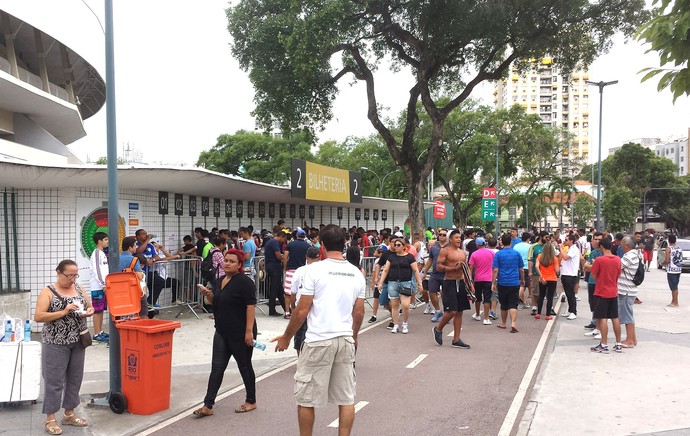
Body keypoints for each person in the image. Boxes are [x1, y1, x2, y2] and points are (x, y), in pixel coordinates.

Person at [271, 225, 365, 436]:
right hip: (345, 338)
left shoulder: (313, 270)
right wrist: (354, 336)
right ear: (344, 245)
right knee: (346, 398)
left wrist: (287, 337)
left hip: (318, 340)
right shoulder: (356, 273)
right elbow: (358, 313)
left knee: (306, 399)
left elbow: (302, 309)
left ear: (321, 245)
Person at [195, 249, 258, 417]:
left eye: (232, 261)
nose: (228, 263)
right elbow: (216, 301)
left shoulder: (245, 282)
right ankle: (208, 405)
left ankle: (251, 401)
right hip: (222, 331)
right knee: (217, 368)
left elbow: (250, 307)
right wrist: (208, 295)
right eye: (226, 260)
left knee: (244, 366)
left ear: (239, 265)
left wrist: (249, 332)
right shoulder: (220, 279)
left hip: (241, 332)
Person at [34, 260, 94, 435]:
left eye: (75, 275)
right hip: (55, 342)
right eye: (69, 275)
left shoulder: (79, 288)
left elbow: (89, 306)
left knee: (75, 379)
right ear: (58, 272)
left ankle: (69, 413)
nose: (73, 279)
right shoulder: (48, 291)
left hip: (78, 340)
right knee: (54, 381)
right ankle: (50, 419)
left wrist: (89, 311)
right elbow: (38, 316)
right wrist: (64, 311)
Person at [432, 229, 472, 349]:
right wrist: (453, 268)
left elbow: (466, 268)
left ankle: (456, 339)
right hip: (449, 282)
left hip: (461, 283)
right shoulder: (445, 251)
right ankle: (438, 329)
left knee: (459, 312)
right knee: (451, 311)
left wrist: (470, 283)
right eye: (456, 237)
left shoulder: (462, 252)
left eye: (460, 237)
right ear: (450, 239)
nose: (459, 239)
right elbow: (438, 267)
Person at [376, 236, 423, 334]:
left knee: (405, 305)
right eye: (395, 245)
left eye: (398, 245)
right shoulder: (391, 257)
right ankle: (396, 324)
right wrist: (380, 282)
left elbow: (415, 270)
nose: (396, 247)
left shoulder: (409, 257)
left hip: (406, 282)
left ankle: (405, 323)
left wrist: (419, 283)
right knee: (394, 305)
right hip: (393, 282)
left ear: (403, 246)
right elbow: (385, 270)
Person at [589, 239, 623, 353]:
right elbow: (618, 274)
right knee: (615, 317)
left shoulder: (599, 260)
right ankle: (618, 343)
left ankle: (604, 344)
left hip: (602, 291)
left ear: (602, 247)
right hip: (613, 291)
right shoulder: (618, 259)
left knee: (602, 317)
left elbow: (593, 276)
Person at [291, 246, 322, 355]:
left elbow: (293, 292)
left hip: (301, 307)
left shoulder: (299, 271)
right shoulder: (323, 271)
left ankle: (300, 361)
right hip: (318, 309)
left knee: (299, 338)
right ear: (320, 257)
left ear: (306, 257)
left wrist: (293, 308)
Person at [492, 233, 524, 332]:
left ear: (501, 242)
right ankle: (513, 323)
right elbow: (521, 269)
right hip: (514, 282)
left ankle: (503, 323)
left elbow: (495, 270)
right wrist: (522, 279)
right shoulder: (516, 253)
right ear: (511, 242)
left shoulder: (498, 254)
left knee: (504, 304)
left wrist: (493, 282)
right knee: (513, 304)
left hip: (502, 282)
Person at [618, 236, 640, 348]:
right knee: (629, 315)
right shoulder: (634, 254)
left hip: (626, 291)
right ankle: (632, 338)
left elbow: (617, 267)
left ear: (626, 245)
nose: (620, 245)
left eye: (622, 243)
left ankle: (630, 340)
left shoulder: (629, 256)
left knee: (627, 316)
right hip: (628, 289)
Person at [283, 228, 311, 319]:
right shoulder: (307, 246)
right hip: (303, 270)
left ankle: (287, 312)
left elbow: (285, 256)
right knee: (301, 291)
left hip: (291, 269)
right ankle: (298, 311)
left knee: (288, 292)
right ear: (304, 236)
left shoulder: (290, 244)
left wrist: (284, 268)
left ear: (297, 235)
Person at [88, 232, 109, 342]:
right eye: (105, 239)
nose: (107, 241)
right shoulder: (96, 253)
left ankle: (100, 331)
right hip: (98, 287)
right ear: (99, 241)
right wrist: (103, 284)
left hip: (103, 286)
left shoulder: (102, 253)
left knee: (101, 310)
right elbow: (97, 270)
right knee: (97, 311)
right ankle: (96, 334)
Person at [469, 237, 495, 325]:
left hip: (478, 279)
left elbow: (471, 267)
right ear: (485, 244)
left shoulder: (474, 254)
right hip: (488, 279)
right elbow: (494, 266)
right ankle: (486, 318)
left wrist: (470, 279)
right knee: (487, 299)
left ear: (477, 245)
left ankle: (477, 314)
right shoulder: (491, 253)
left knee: (478, 298)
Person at [120, 237, 147, 318]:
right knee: (143, 306)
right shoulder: (133, 259)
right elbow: (139, 276)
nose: (136, 247)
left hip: (118, 290)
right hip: (131, 290)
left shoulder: (115, 258)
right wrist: (142, 273)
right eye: (135, 246)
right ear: (130, 248)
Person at [583, 233, 604, 337]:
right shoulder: (592, 252)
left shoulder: (604, 254)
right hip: (591, 281)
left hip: (599, 283)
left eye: (599, 239)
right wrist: (591, 266)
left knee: (599, 306)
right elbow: (586, 267)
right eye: (595, 239)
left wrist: (591, 266)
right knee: (592, 305)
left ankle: (600, 329)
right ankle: (595, 326)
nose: (597, 241)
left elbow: (595, 268)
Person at [534, 241, 560, 320]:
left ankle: (538, 313)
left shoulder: (539, 256)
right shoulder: (554, 259)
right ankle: (548, 315)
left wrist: (541, 276)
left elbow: (536, 266)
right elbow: (557, 270)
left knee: (541, 295)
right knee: (550, 297)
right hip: (552, 279)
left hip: (542, 278)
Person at [264, 227, 286, 316]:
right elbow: (278, 256)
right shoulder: (274, 243)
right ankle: (272, 310)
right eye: (283, 239)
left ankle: (286, 309)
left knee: (279, 289)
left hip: (271, 266)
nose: (283, 241)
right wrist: (284, 257)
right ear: (280, 236)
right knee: (274, 289)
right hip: (274, 267)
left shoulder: (271, 242)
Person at [559, 234, 581, 320]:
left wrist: (561, 248)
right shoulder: (569, 249)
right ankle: (570, 310)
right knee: (568, 294)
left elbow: (566, 257)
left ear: (571, 241)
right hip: (566, 273)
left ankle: (573, 312)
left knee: (571, 294)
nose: (565, 241)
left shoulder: (574, 249)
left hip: (570, 274)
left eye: (567, 240)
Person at [528, 231, 549, 316]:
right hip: (536, 272)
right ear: (541, 237)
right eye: (546, 237)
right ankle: (534, 307)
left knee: (546, 291)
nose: (547, 239)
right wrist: (530, 271)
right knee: (535, 290)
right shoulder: (534, 247)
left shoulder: (548, 246)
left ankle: (547, 307)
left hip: (547, 273)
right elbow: (530, 259)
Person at [513, 233, 532, 310]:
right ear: (528, 239)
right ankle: (520, 301)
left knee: (519, 284)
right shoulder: (530, 247)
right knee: (522, 285)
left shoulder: (516, 246)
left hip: (517, 266)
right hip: (526, 266)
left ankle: (523, 301)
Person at [664, 234, 682, 307]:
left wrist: (662, 263)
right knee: (675, 285)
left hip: (671, 270)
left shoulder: (668, 249)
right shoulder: (679, 248)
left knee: (673, 287)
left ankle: (675, 302)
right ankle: (673, 300)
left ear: (668, 240)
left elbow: (667, 260)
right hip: (678, 269)